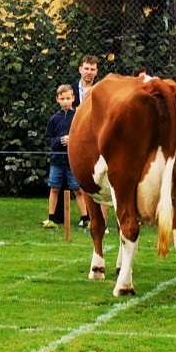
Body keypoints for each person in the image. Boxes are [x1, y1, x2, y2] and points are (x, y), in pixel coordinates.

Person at [42, 84, 86, 228]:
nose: (66, 101)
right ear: (57, 100)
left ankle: (85, 218)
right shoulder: (54, 119)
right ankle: (51, 218)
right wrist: (59, 141)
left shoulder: (78, 117)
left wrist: (72, 140)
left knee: (78, 189)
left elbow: (83, 136)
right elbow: (48, 138)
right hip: (57, 160)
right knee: (54, 188)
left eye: (68, 98)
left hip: (73, 160)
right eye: (62, 98)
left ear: (73, 98)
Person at [65, 54, 100, 228]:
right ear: (80, 69)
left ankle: (92, 218)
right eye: (86, 68)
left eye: (92, 69)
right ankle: (77, 216)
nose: (89, 72)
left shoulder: (101, 91)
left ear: (96, 72)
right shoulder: (69, 90)